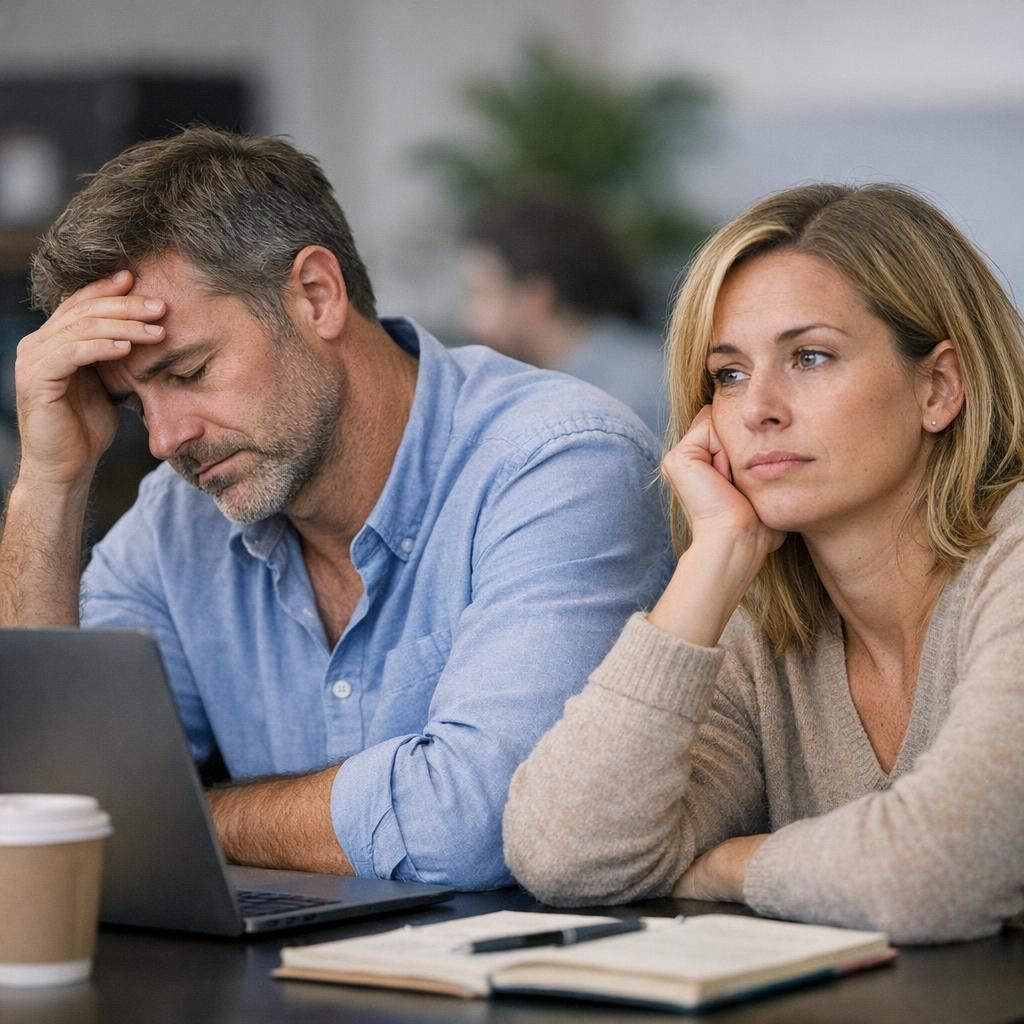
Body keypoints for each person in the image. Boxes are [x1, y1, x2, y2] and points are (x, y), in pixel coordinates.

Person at [0, 128, 671, 889]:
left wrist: (183, 818)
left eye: (187, 372)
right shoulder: (175, 522)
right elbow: (42, 803)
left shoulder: (558, 461)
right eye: (131, 403)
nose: (162, 440)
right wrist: (48, 485)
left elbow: (477, 823)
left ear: (315, 295)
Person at [503, 182, 1024, 942]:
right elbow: (564, 854)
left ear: (938, 388)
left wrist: (726, 868)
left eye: (810, 357)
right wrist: (712, 562)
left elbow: (936, 871)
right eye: (729, 373)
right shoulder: (763, 629)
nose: (757, 410)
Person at [460, 192, 667, 436]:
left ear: (537, 297)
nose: (468, 320)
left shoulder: (612, 402)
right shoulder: (640, 370)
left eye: (480, 294)